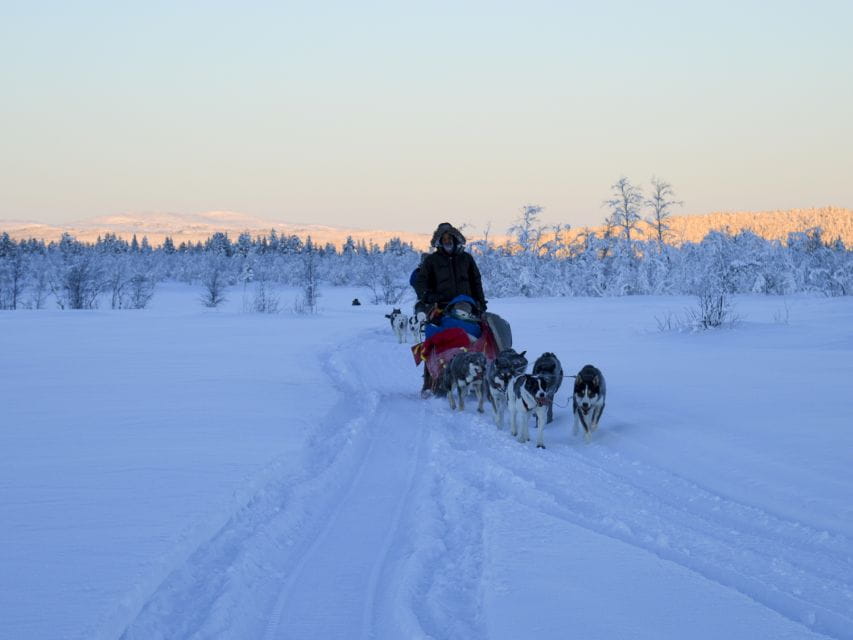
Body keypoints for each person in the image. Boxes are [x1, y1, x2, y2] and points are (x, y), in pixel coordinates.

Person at [414, 222, 487, 395]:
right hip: (441, 308)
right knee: (434, 343)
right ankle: (430, 382)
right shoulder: (432, 261)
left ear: (455, 239)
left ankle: (478, 378)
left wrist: (481, 303)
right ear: (439, 242)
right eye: (444, 239)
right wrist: (429, 297)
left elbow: (476, 281)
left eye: (450, 238)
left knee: (476, 341)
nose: (447, 241)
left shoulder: (467, 259)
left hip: (467, 308)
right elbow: (421, 283)